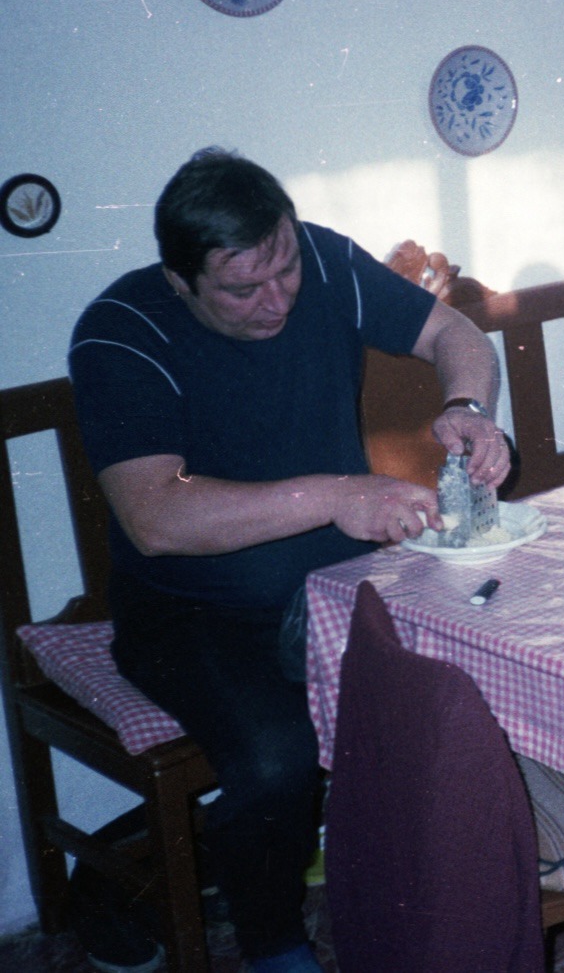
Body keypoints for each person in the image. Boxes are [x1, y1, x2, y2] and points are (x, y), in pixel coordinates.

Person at [65, 148, 512, 973]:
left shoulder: (325, 260)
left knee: (482, 658)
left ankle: (442, 895)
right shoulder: (120, 330)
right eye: (242, 288)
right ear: (179, 280)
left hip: (334, 587)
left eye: (284, 270)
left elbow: (453, 331)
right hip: (188, 607)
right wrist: (339, 495)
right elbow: (155, 512)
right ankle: (272, 945)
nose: (275, 300)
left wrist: (467, 406)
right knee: (275, 759)